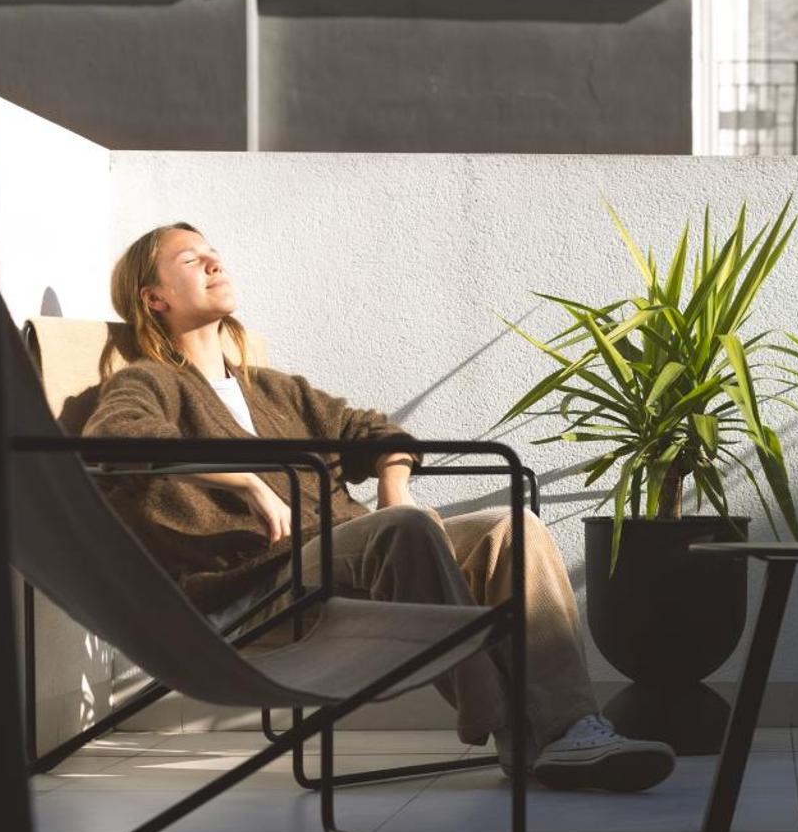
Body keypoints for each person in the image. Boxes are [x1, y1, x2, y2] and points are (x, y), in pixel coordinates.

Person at [84, 221, 675, 791]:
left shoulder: (275, 390)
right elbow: (116, 444)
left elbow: (375, 430)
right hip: (260, 588)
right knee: (400, 532)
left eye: (214, 251)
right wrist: (246, 481)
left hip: (355, 557)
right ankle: (503, 717)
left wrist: (396, 487)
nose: (215, 262)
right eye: (191, 259)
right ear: (154, 298)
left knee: (510, 528)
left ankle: (571, 730)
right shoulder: (148, 382)